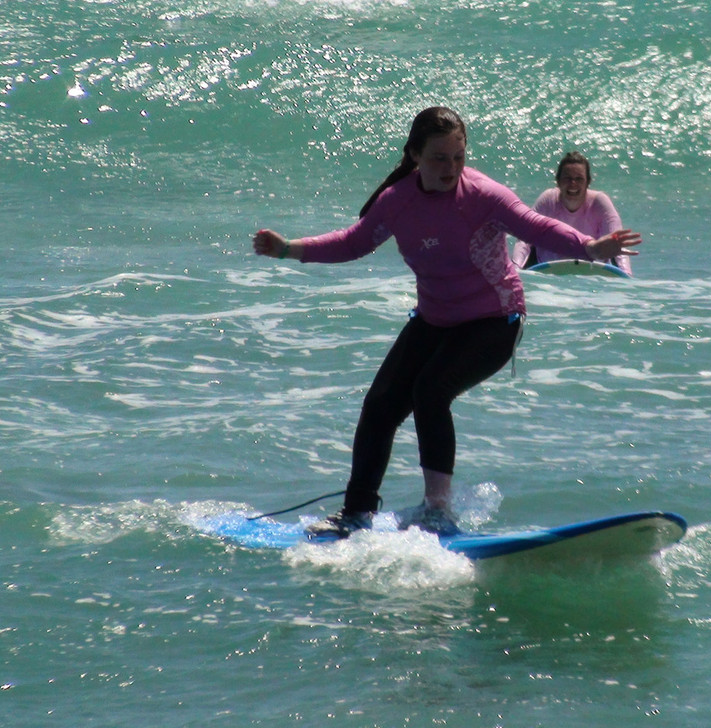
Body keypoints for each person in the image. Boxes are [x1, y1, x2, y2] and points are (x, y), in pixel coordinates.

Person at [253, 107, 640, 537]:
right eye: (439, 158)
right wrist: (288, 248)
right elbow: (354, 242)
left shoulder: (484, 196)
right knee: (380, 405)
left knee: (430, 390)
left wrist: (589, 247)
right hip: (435, 319)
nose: (451, 168)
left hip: (495, 320)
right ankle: (356, 514)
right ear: (416, 154)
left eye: (458, 157)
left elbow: (536, 226)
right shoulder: (397, 201)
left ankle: (438, 510)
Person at [512, 151, 632, 276]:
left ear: (588, 182)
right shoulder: (548, 200)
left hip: (590, 272)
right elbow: (523, 239)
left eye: (579, 179)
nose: (573, 184)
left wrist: (627, 276)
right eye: (567, 178)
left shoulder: (599, 202)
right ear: (558, 181)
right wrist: (515, 270)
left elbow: (617, 243)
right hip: (549, 271)